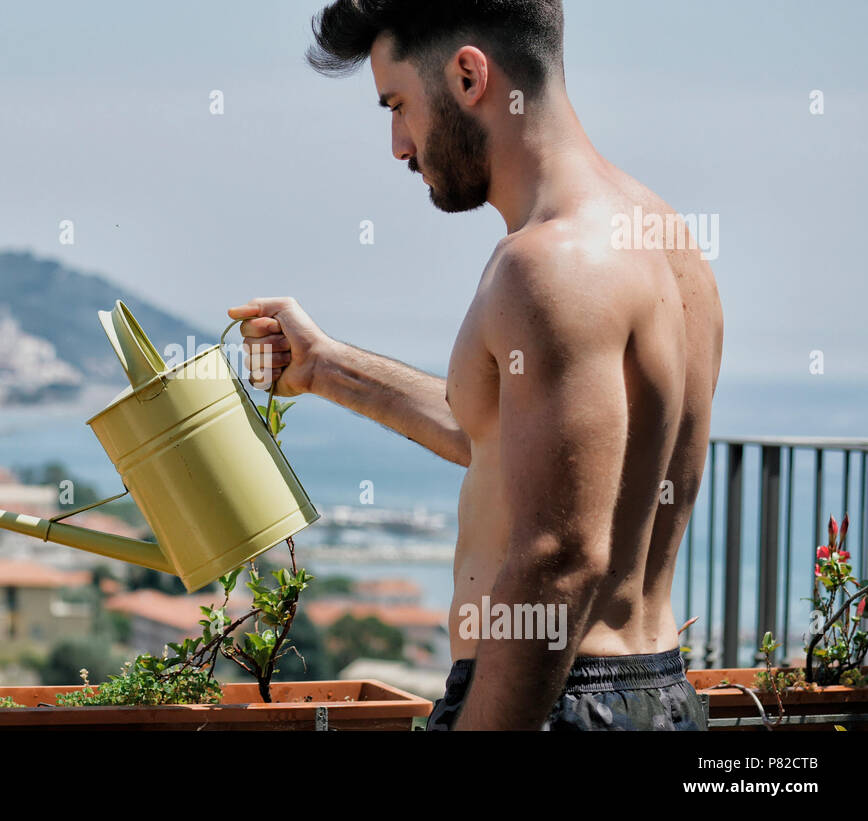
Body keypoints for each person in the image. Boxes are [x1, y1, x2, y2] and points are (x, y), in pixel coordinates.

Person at [228, 0, 723, 730]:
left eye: (397, 105)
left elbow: (560, 555)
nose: (398, 145)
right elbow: (518, 447)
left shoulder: (546, 267)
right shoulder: (666, 241)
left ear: (467, 76)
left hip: (558, 701)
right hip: (647, 692)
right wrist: (326, 367)